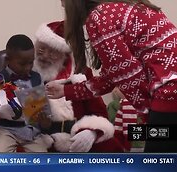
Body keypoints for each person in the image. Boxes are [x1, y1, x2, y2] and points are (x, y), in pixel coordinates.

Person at [45, 0, 177, 152]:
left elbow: (129, 75)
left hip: (168, 94)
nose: (62, 5)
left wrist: (149, 115)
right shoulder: (128, 6)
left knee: (157, 167)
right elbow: (116, 74)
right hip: (169, 91)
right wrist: (66, 91)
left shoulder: (100, 16)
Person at [34, 20, 123, 152]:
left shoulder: (81, 72)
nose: (45, 56)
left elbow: (99, 113)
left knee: (111, 147)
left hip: (76, 135)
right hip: (43, 137)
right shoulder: (27, 74)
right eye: (41, 50)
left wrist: (91, 132)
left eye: (53, 52)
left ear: (65, 55)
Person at [0, 34, 49, 152]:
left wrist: (44, 118)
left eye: (31, 63)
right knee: (1, 158)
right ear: (7, 60)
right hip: (6, 130)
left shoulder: (37, 79)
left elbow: (45, 113)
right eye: (22, 64)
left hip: (32, 131)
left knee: (43, 162)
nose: (27, 68)